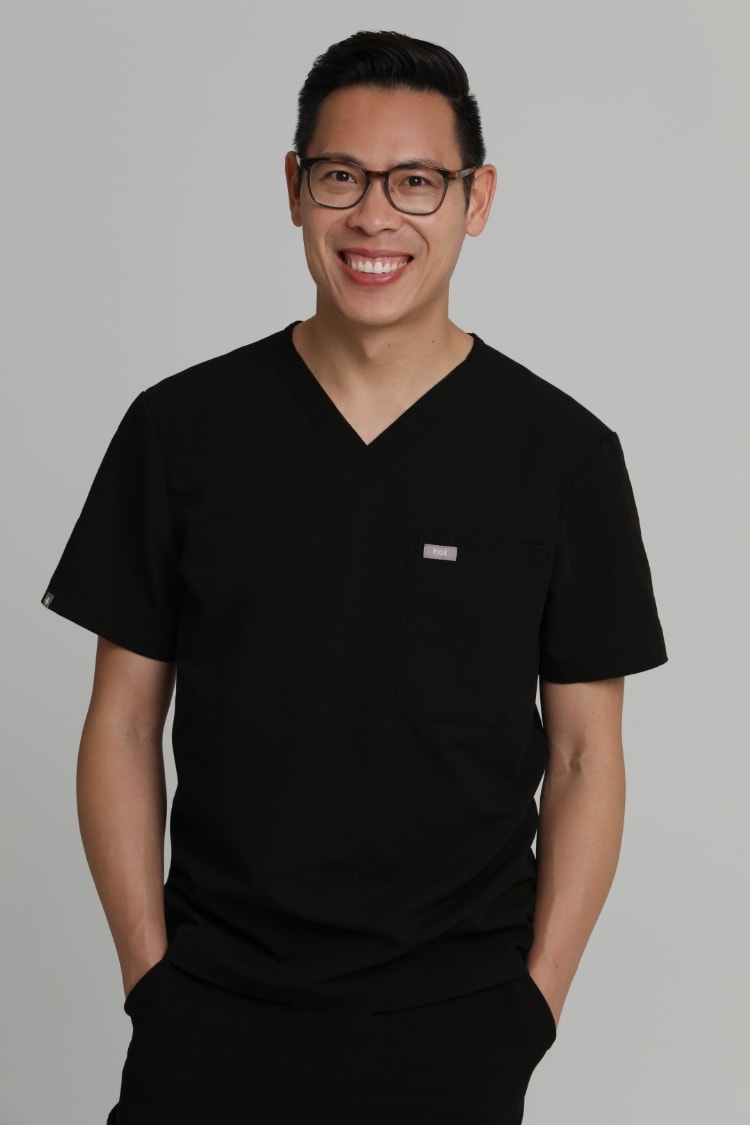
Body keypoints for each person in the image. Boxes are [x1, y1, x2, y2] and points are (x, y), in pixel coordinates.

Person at [42, 29, 667, 1125]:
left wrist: (532, 1005)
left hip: (457, 1024)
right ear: (295, 187)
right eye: (342, 177)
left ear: (475, 200)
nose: (376, 217)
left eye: (416, 182)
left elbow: (584, 755)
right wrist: (152, 981)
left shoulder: (562, 457)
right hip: (212, 1012)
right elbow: (123, 722)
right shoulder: (181, 431)